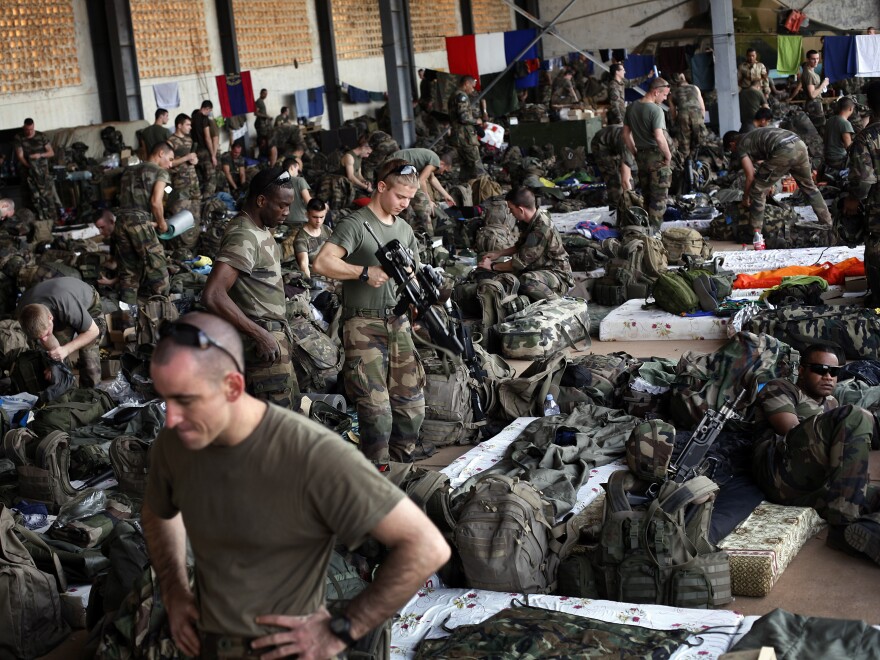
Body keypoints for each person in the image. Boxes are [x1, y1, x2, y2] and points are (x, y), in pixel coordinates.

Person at [142, 311, 450, 658]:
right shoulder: (175, 442)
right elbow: (158, 511)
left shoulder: (310, 454)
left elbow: (426, 546)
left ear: (232, 386)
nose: (170, 417)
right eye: (165, 398)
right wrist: (173, 590)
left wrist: (343, 628)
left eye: (185, 400)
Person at [313, 159, 432, 464]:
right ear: (381, 187)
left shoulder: (404, 229)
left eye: (409, 198)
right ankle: (376, 472)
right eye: (399, 196)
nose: (405, 204)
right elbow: (322, 262)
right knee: (376, 410)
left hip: (399, 321)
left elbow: (412, 277)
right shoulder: (356, 224)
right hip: (363, 324)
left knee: (412, 406)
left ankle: (400, 468)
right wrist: (364, 273)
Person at [752, 345, 879, 563]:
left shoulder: (831, 402)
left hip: (813, 484)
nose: (828, 377)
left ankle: (868, 530)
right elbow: (790, 433)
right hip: (780, 472)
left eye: (834, 372)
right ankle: (842, 524)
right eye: (820, 370)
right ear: (801, 370)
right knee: (857, 416)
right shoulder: (780, 388)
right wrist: (844, 426)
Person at [202, 167, 299, 410]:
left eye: (289, 206)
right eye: (282, 206)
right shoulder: (243, 235)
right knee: (273, 431)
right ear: (261, 200)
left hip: (273, 338)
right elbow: (213, 295)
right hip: (260, 345)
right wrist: (260, 335)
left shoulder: (261, 229)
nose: (287, 212)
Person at [723, 127, 832, 234]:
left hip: (783, 149)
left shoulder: (741, 145)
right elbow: (766, 165)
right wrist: (769, 183)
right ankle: (827, 222)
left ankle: (755, 234)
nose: (733, 153)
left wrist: (745, 198)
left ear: (732, 144)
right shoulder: (754, 136)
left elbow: (750, 176)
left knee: (757, 190)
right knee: (809, 187)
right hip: (799, 144)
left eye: (731, 150)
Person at [478, 187, 574, 302]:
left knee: (526, 281)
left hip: (557, 275)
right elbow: (520, 246)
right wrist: (498, 254)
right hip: (540, 268)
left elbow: (519, 263)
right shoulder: (530, 221)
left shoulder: (542, 228)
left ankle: (556, 302)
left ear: (521, 209)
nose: (510, 213)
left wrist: (492, 266)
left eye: (511, 209)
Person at [17, 277, 106, 388]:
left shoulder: (67, 305)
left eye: (46, 334)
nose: (44, 339)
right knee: (57, 354)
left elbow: (93, 331)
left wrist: (66, 350)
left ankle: (92, 395)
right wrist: (53, 364)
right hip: (57, 307)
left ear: (50, 318)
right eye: (40, 337)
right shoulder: (23, 313)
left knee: (88, 355)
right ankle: (69, 393)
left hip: (88, 305)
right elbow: (45, 342)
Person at [114, 142, 173, 303]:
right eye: (170, 159)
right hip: (140, 221)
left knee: (128, 274)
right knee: (158, 270)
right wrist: (162, 224)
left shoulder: (128, 171)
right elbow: (155, 202)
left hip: (121, 222)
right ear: (161, 153)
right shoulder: (160, 172)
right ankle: (164, 316)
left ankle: (128, 321)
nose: (170, 164)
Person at [845, 81, 880, 307]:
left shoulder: (866, 137)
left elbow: (865, 180)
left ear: (869, 104)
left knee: (876, 248)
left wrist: (852, 200)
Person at [623, 77, 673, 230]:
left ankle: (644, 231)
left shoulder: (631, 108)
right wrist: (668, 155)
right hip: (657, 157)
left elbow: (625, 134)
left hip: (642, 157)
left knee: (646, 196)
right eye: (664, 95)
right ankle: (654, 235)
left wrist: (635, 151)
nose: (665, 98)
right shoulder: (655, 110)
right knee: (658, 199)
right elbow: (659, 136)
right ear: (656, 92)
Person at [387, 148, 455, 236]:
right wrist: (428, 201)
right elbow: (421, 180)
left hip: (393, 167)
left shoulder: (432, 158)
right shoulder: (435, 161)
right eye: (444, 170)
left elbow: (432, 178)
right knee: (425, 208)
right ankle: (430, 238)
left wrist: (446, 195)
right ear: (442, 164)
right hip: (395, 168)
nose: (442, 173)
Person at [166, 113, 201, 247]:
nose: (190, 127)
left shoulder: (189, 140)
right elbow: (169, 163)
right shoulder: (170, 142)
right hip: (180, 182)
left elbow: (193, 159)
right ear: (179, 125)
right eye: (187, 124)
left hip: (193, 180)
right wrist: (186, 158)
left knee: (196, 210)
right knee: (181, 213)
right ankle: (182, 246)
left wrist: (194, 160)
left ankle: (195, 242)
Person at [13, 118, 57, 222]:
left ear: (34, 127)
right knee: (30, 197)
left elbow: (51, 153)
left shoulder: (41, 136)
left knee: (47, 196)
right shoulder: (19, 137)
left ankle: (52, 220)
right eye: (27, 129)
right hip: (27, 172)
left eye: (31, 129)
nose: (29, 132)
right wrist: (30, 166)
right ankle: (34, 222)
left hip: (43, 173)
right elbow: (20, 155)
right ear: (24, 127)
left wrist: (40, 155)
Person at [447, 75, 486, 179]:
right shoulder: (462, 96)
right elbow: (464, 118)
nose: (472, 90)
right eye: (472, 86)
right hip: (466, 137)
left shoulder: (453, 95)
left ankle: (466, 190)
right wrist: (476, 121)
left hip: (458, 137)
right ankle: (483, 191)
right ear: (466, 84)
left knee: (465, 168)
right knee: (477, 167)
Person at [591, 123, 634, 206]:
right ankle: (615, 205)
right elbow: (625, 180)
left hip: (614, 142)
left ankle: (623, 201)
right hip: (601, 144)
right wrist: (631, 201)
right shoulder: (627, 145)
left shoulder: (641, 141)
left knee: (630, 174)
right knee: (613, 177)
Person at [668, 73, 706, 160]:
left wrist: (675, 125)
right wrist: (701, 120)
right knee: (698, 142)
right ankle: (695, 162)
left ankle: (686, 164)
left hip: (682, 116)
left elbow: (673, 113)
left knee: (684, 144)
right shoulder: (695, 88)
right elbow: (702, 108)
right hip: (697, 114)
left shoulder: (672, 94)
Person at [791, 50, 830, 133]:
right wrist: (823, 84)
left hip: (815, 104)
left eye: (817, 58)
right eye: (813, 59)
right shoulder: (809, 74)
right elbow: (812, 95)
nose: (816, 61)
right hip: (814, 105)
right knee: (820, 131)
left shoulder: (810, 72)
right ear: (808, 59)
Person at [293, 198, 331, 280]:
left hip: (331, 272)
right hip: (317, 278)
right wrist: (309, 285)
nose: (318, 221)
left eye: (322, 217)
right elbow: (304, 265)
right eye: (315, 217)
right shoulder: (301, 239)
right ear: (307, 215)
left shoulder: (327, 229)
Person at [191, 100, 219, 196]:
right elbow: (207, 137)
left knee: (201, 179)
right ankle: (208, 202)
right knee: (211, 179)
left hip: (195, 152)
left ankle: (201, 199)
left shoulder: (192, 118)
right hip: (204, 151)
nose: (209, 113)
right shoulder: (204, 118)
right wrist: (213, 155)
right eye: (209, 110)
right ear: (207, 109)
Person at [824, 97, 856, 171]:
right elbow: (848, 146)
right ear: (850, 109)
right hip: (839, 160)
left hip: (827, 158)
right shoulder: (845, 123)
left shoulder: (830, 120)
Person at [282, 157, 312, 225]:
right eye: (297, 169)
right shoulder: (299, 180)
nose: (298, 173)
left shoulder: (279, 181)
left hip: (284, 220)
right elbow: (309, 202)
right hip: (300, 220)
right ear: (292, 167)